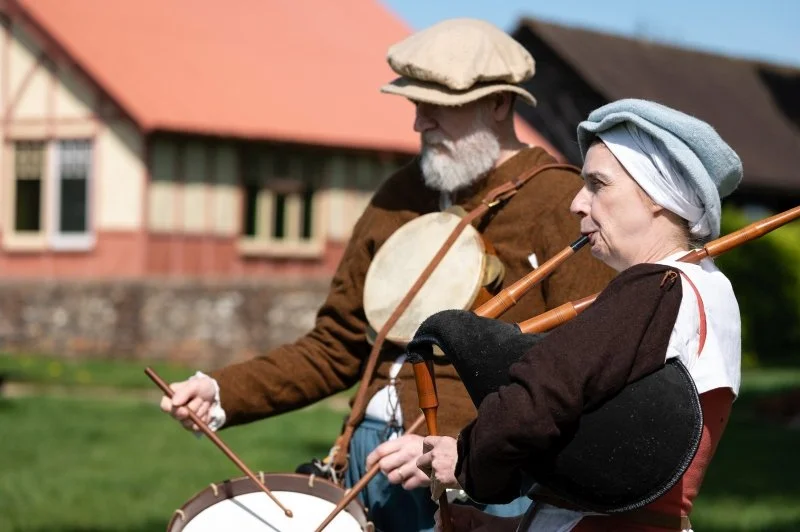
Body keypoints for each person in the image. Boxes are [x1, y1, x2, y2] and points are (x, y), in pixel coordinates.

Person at [158, 18, 615, 532]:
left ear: (498, 103)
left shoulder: (562, 203)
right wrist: (223, 391)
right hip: (368, 459)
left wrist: (465, 448)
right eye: (415, 104)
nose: (420, 123)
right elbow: (336, 344)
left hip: (482, 479)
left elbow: (574, 373)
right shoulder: (398, 195)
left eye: (438, 106)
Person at [417, 98, 743, 531]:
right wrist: (502, 527)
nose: (577, 203)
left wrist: (468, 458)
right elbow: (606, 458)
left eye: (597, 184)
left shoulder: (657, 288)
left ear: (657, 195)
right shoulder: (709, 288)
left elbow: (541, 392)